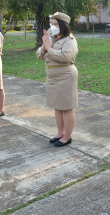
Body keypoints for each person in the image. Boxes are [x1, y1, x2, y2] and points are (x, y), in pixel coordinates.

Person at [36, 12, 78, 147]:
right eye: (51, 24)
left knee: (66, 107)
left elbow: (65, 57)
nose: (52, 26)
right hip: (52, 77)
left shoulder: (69, 40)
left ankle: (67, 136)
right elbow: (39, 55)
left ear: (62, 25)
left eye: (55, 24)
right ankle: (60, 133)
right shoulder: (52, 39)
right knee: (57, 107)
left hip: (65, 76)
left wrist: (49, 48)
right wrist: (44, 46)